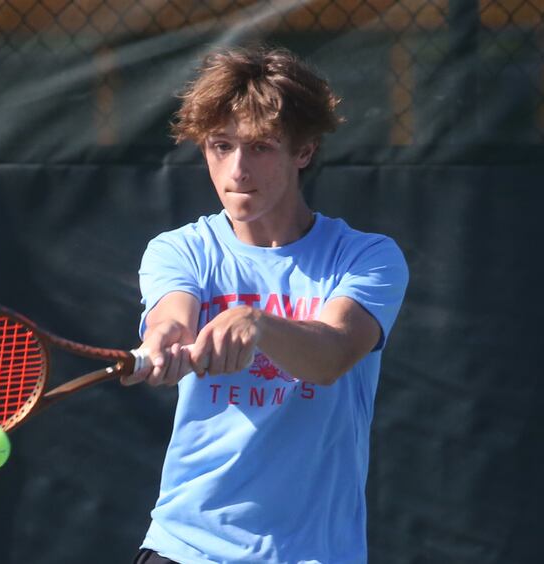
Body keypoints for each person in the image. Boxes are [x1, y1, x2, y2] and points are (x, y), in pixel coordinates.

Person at [123, 45, 409, 564]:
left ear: (303, 151)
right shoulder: (180, 250)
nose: (237, 170)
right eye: (220, 146)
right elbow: (171, 317)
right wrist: (162, 341)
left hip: (315, 553)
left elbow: (333, 355)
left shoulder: (367, 257)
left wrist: (256, 324)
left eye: (260, 148)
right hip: (185, 548)